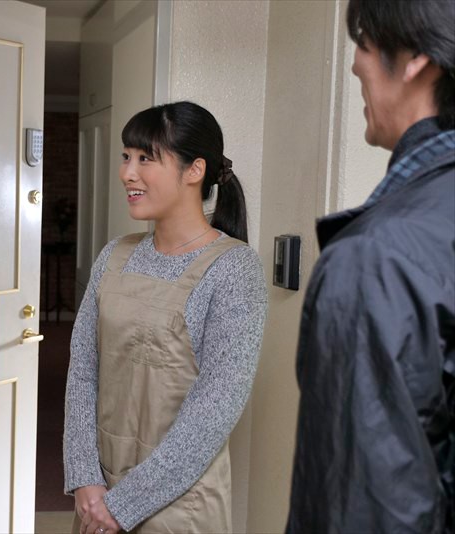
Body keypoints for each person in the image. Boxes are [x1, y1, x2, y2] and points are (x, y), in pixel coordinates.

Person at [287, 0, 455, 532]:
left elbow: (362, 511)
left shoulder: (374, 260)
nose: (356, 63)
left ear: (415, 60)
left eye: (363, 43)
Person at [63, 101, 267, 534]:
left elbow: (214, 411)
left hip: (179, 504)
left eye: (145, 158)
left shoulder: (233, 269)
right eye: (126, 157)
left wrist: (123, 506)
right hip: (98, 493)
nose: (127, 173)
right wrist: (84, 479)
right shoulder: (114, 255)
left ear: (195, 170)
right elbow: (82, 370)